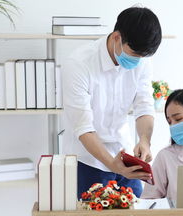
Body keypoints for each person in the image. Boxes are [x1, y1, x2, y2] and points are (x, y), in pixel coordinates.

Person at [62, 7, 162, 197]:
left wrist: (144, 141)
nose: (137, 61)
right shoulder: (79, 64)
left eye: (142, 57)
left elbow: (144, 106)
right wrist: (111, 164)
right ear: (116, 37)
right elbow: (83, 128)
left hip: (125, 155)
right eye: (134, 54)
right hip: (87, 159)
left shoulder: (141, 61)